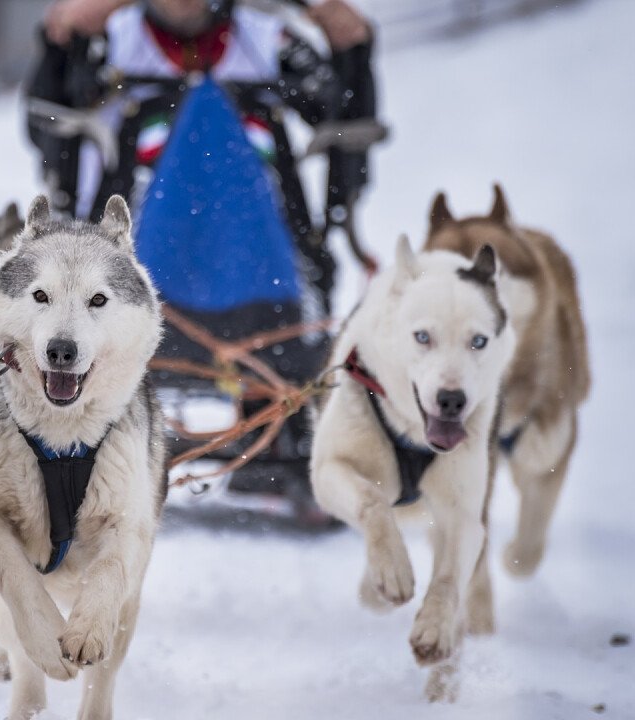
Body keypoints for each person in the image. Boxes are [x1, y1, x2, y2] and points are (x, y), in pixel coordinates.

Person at [25, 0, 380, 527]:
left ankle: (281, 434)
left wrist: (351, 46)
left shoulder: (267, 40)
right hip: (135, 242)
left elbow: (340, 108)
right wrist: (61, 43)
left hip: (266, 246)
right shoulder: (115, 41)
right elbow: (50, 119)